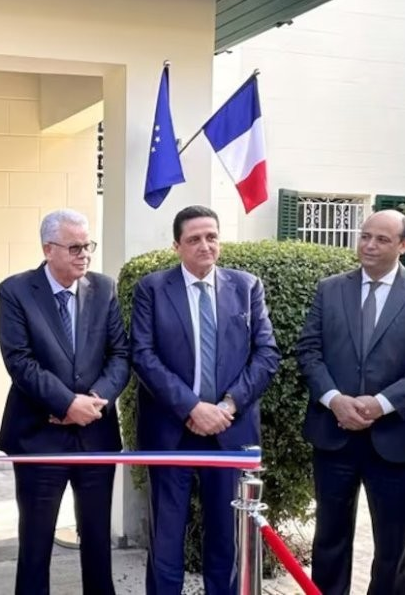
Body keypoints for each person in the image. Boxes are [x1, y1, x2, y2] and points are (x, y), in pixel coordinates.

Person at [296, 209, 405, 595]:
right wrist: (335, 400)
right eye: (365, 235)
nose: (369, 245)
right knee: (329, 540)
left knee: (394, 547)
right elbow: (309, 351)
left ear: (404, 245)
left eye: (381, 239)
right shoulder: (329, 289)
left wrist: (381, 404)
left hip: (400, 439)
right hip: (334, 435)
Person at [130, 205, 279, 595]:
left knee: (225, 538)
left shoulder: (247, 287)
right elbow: (143, 355)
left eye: (211, 236)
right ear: (177, 245)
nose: (205, 245)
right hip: (171, 432)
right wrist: (192, 407)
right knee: (165, 538)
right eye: (194, 239)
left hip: (229, 433)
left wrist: (227, 407)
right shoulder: (152, 288)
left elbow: (266, 355)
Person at [0, 208, 129, 595]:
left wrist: (95, 401)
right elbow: (19, 360)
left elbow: (120, 354)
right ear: (47, 249)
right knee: (35, 546)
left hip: (96, 436)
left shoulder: (104, 289)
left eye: (88, 245)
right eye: (74, 247)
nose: (84, 254)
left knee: (98, 543)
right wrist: (66, 403)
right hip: (39, 438)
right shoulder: (16, 291)